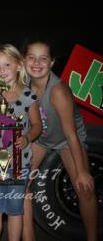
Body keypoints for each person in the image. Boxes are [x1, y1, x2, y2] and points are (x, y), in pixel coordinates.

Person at [22, 39, 97, 241]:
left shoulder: (58, 91)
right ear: (23, 60)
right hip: (40, 138)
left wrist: (81, 171)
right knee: (20, 185)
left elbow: (71, 134)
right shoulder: (23, 82)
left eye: (43, 59)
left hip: (66, 139)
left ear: (52, 62)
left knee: (84, 189)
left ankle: (92, 237)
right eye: (31, 57)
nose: (37, 63)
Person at [0, 44, 42, 241]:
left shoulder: (28, 96)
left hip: (20, 162)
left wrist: (27, 137)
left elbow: (37, 125)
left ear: (19, 66)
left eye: (7, 65)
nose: (2, 70)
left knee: (16, 210)